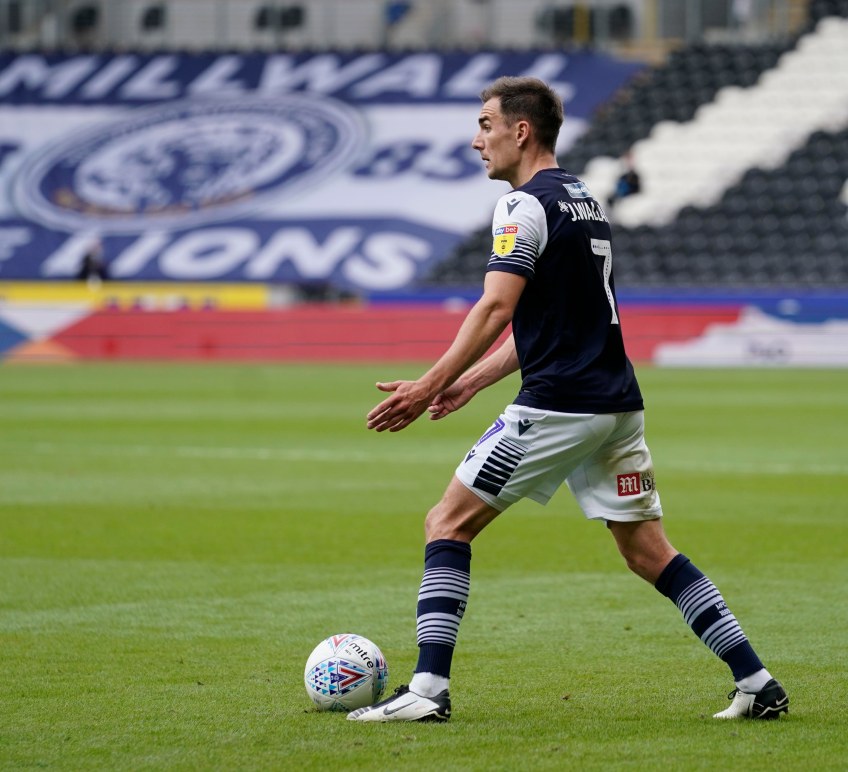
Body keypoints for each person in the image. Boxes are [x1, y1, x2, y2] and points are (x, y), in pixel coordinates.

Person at [347, 77, 788, 723]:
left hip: (559, 407)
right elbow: (555, 321)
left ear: (520, 130)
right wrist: (473, 381)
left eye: (486, 125)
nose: (477, 140)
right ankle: (758, 683)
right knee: (647, 551)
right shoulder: (582, 199)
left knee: (447, 523)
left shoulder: (522, 206)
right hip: (616, 405)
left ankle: (428, 691)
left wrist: (428, 384)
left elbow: (496, 306)